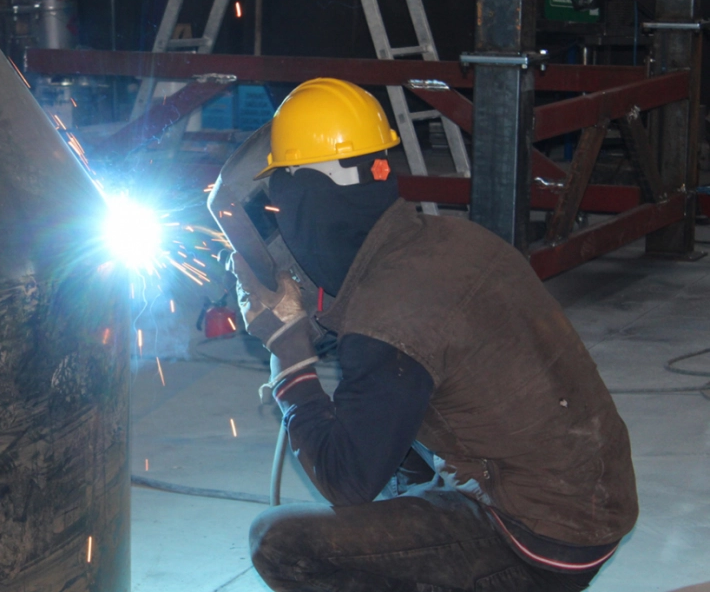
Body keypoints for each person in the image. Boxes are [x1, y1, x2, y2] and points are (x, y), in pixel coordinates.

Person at [229, 78, 638, 592]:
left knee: (278, 541)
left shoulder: (388, 316)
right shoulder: (453, 240)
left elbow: (345, 480)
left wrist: (288, 354)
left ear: (304, 194)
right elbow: (391, 321)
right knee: (394, 444)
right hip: (594, 499)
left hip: (539, 544)